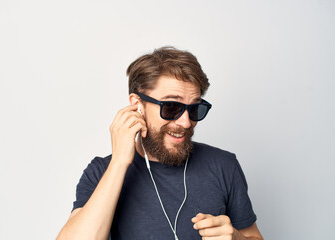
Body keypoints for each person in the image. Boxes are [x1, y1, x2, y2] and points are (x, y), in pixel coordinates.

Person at [57, 46, 263, 240]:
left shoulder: (223, 165)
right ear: (138, 105)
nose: (186, 122)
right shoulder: (102, 172)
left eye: (194, 109)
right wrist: (120, 162)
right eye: (171, 107)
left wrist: (236, 237)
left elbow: (252, 235)